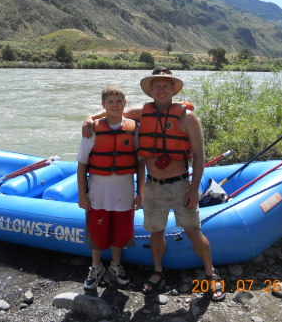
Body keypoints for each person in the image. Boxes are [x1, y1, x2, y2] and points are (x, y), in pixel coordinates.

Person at [82, 67, 225, 301]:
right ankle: (157, 271)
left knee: (193, 231)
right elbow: (114, 111)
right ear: (150, 90)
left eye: (165, 85)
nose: (161, 89)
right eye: (156, 85)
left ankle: (211, 273)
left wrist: (193, 188)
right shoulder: (141, 112)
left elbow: (199, 156)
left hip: (181, 185)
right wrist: (90, 118)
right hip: (153, 186)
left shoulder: (187, 116)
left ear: (173, 89)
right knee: (155, 233)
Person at [77, 85, 145, 291]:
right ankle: (96, 267)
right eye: (110, 102)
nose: (114, 105)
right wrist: (82, 194)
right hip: (98, 193)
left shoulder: (134, 128)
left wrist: (140, 192)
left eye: (118, 102)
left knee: (120, 232)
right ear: (103, 105)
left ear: (125, 104)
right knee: (97, 232)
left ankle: (116, 265)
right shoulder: (92, 129)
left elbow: (140, 164)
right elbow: (82, 165)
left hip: (124, 193)